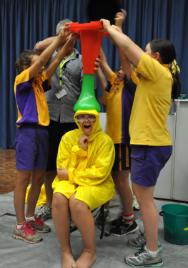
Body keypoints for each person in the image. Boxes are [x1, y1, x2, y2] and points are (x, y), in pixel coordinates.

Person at [101, 18, 181, 267]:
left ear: (155, 57)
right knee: (145, 197)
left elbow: (129, 47)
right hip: (151, 145)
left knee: (145, 200)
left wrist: (109, 29)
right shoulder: (152, 77)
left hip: (150, 146)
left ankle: (152, 252)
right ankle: (148, 239)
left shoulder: (158, 72)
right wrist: (118, 34)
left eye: (146, 52)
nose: (142, 55)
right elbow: (127, 58)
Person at [13, 29, 76, 243]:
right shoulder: (21, 79)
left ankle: (30, 217)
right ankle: (20, 225)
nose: (40, 66)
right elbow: (43, 62)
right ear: (26, 67)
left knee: (39, 178)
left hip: (42, 132)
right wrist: (58, 39)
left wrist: (64, 46)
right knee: (23, 179)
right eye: (35, 63)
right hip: (28, 133)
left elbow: (53, 61)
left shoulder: (39, 83)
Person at [52, 109, 115, 268]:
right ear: (76, 118)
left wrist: (72, 175)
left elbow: (99, 173)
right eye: (81, 116)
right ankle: (65, 251)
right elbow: (61, 169)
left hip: (97, 183)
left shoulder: (105, 141)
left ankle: (89, 251)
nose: (86, 120)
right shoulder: (68, 138)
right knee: (59, 197)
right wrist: (79, 151)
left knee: (77, 202)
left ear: (96, 118)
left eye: (90, 116)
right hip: (71, 180)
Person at [34, 19, 83, 220]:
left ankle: (70, 205)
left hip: (73, 118)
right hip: (51, 116)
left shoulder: (82, 58)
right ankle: (49, 204)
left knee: (72, 165)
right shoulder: (50, 54)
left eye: (73, 34)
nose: (71, 37)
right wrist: (62, 37)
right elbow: (37, 46)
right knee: (49, 164)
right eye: (66, 32)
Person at [96, 10, 138, 236]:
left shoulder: (131, 84)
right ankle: (121, 213)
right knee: (115, 178)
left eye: (124, 68)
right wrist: (96, 39)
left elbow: (123, 56)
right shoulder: (117, 82)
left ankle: (129, 219)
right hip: (111, 139)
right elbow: (105, 94)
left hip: (123, 139)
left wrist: (117, 28)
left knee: (122, 179)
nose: (120, 70)